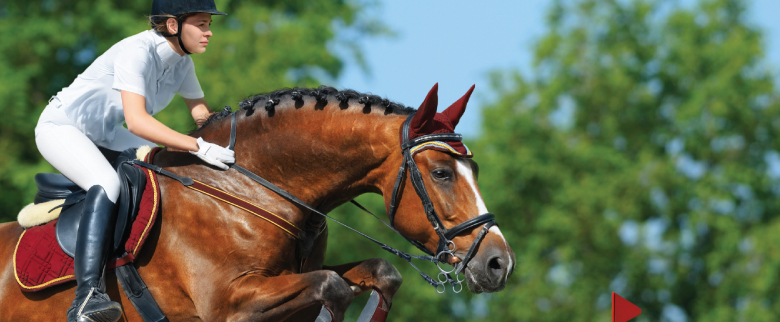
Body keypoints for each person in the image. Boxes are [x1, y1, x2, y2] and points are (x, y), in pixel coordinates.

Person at [34, 0, 234, 321]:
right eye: (202, 24)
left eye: (209, 24)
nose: (209, 33)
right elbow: (138, 123)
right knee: (107, 182)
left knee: (167, 164)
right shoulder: (137, 51)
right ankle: (87, 298)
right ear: (173, 26)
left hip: (106, 132)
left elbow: (202, 117)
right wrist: (198, 146)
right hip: (61, 128)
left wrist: (228, 147)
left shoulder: (183, 63)